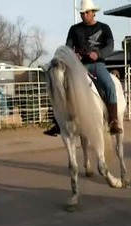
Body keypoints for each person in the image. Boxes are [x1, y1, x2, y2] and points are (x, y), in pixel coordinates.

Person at [44, 0, 123, 137]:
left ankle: (113, 121)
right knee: (60, 84)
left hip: (97, 65)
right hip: (78, 66)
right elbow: (68, 47)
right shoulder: (74, 29)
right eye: (82, 13)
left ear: (93, 13)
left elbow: (110, 47)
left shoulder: (104, 28)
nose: (84, 15)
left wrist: (98, 54)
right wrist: (73, 55)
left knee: (109, 85)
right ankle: (58, 122)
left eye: (86, 12)